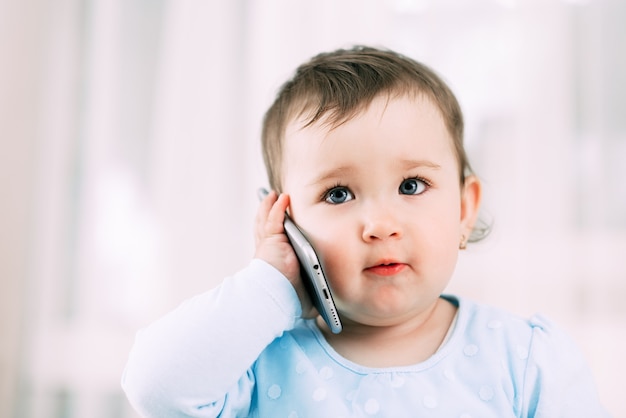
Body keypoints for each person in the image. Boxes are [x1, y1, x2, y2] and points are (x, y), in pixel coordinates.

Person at [122, 46, 608, 417]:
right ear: (286, 224)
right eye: (337, 194)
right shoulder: (257, 364)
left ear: (464, 208)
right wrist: (271, 287)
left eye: (412, 185)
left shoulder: (524, 359)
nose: (379, 225)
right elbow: (155, 386)